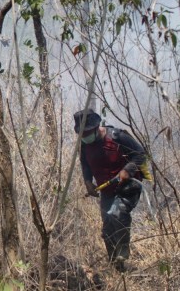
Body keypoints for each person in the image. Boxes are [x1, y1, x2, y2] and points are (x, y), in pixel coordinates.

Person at [73, 109, 146, 272]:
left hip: (128, 186)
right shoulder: (84, 145)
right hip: (106, 190)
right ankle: (117, 267)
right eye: (82, 134)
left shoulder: (117, 137)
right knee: (107, 228)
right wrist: (87, 182)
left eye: (87, 132)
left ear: (96, 127)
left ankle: (123, 253)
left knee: (117, 214)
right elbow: (85, 163)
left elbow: (140, 153)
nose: (85, 136)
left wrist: (127, 170)